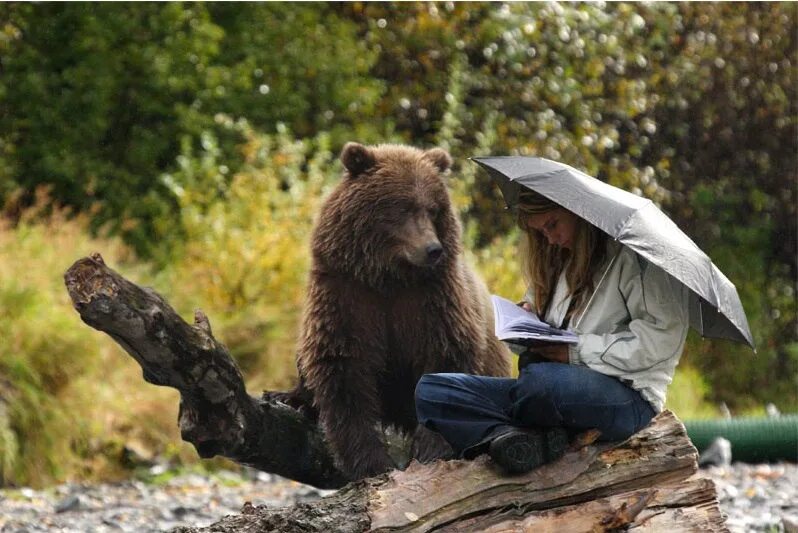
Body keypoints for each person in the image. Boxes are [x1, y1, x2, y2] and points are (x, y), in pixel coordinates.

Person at [415, 189, 690, 473]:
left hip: (626, 398)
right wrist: (525, 324)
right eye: (540, 232)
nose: (550, 238)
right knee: (433, 392)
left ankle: (510, 433)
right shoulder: (558, 260)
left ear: (576, 213)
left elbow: (658, 345)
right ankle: (516, 439)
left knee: (539, 383)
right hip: (548, 393)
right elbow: (544, 342)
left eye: (552, 225)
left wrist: (574, 351)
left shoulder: (638, 260)